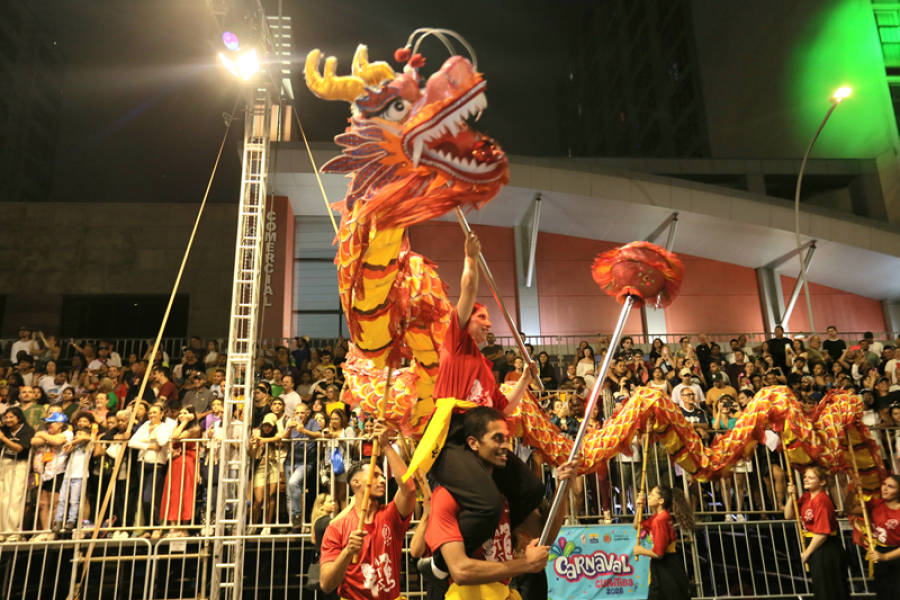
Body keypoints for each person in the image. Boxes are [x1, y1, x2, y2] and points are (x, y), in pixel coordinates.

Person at [406, 233, 544, 582]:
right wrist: (470, 259)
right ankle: (441, 563)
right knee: (487, 502)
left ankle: (501, 534)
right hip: (453, 437)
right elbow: (468, 291)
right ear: (467, 322)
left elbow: (503, 407)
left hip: (483, 435)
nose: (489, 323)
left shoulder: (485, 366)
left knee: (532, 489)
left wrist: (525, 379)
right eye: (483, 318)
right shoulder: (456, 344)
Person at [425, 407, 578, 599]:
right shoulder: (446, 496)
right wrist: (526, 564)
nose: (506, 446)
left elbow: (543, 535)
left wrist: (562, 490)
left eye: (507, 438)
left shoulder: (506, 494)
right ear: (473, 443)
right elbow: (460, 570)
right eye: (497, 439)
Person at [319, 419, 416, 600]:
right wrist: (347, 552)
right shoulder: (336, 528)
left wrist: (386, 446)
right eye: (375, 475)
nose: (383, 480)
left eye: (383, 476)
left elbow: (409, 489)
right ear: (356, 482)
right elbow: (326, 584)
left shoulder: (391, 515)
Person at [784, 466, 850, 600]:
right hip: (815, 545)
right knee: (821, 588)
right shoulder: (806, 497)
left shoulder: (822, 500)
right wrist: (791, 496)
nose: (806, 479)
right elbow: (788, 515)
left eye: (811, 477)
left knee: (829, 590)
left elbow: (822, 533)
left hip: (826, 547)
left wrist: (807, 552)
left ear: (822, 482)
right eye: (805, 477)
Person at [633, 485, 695, 600]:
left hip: (667, 566)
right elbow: (637, 525)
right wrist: (640, 507)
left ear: (661, 501)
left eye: (652, 495)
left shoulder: (660, 520)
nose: (649, 496)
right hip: (665, 565)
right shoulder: (658, 517)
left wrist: (641, 550)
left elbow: (659, 554)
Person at [846, 474, 900, 600]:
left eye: (891, 487)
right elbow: (849, 509)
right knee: (883, 593)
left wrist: (885, 557)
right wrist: (853, 491)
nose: (885, 489)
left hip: (896, 554)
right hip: (880, 552)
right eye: (884, 484)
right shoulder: (876, 504)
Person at [128, 404, 173, 539]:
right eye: (150, 413)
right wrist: (149, 446)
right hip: (142, 464)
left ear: (161, 414)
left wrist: (156, 429)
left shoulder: (166, 427)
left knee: (149, 498)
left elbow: (162, 441)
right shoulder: (145, 425)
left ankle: (156, 527)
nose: (152, 415)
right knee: (143, 499)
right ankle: (148, 528)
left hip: (157, 465)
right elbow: (132, 442)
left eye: (155, 413)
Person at [30, 412, 73, 541]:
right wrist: (48, 437)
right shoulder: (47, 433)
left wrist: (41, 434)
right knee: (42, 504)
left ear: (60, 424)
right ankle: (45, 531)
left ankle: (54, 532)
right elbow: (33, 441)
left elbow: (57, 441)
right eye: (47, 423)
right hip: (40, 473)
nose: (48, 425)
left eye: (51, 423)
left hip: (56, 472)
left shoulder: (68, 433)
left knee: (55, 503)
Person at [160, 405, 201, 537]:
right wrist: (171, 450)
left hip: (187, 463)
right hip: (175, 463)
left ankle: (183, 528)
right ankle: (173, 527)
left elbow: (176, 437)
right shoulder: (178, 427)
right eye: (181, 413)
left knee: (185, 494)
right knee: (173, 493)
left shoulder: (195, 429)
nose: (182, 415)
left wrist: (186, 421)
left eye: (185, 413)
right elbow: (171, 441)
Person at [282, 402, 323, 528]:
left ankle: (296, 515)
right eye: (297, 413)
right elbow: (284, 440)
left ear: (307, 413)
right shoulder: (291, 422)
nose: (299, 415)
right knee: (289, 494)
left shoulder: (312, 423)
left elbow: (319, 435)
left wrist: (304, 431)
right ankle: (293, 524)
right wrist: (290, 428)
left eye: (302, 413)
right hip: (290, 461)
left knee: (293, 483)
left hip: (306, 462)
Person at [0, 407, 34, 542]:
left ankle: (13, 532)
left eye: (11, 417)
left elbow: (19, 448)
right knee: (2, 499)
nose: (8, 420)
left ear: (18, 418)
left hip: (20, 464)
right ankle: (2, 531)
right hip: (4, 463)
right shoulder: (4, 430)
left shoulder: (27, 430)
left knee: (14, 498)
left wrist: (3, 438)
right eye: (6, 417)